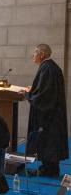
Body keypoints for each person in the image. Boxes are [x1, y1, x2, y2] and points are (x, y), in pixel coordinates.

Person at [22, 44, 68, 177]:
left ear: (42, 54)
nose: (33, 56)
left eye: (35, 53)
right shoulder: (50, 67)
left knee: (48, 140)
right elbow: (45, 89)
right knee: (50, 141)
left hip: (49, 116)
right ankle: (49, 168)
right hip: (53, 113)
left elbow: (43, 96)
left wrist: (27, 94)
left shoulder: (47, 68)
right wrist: (33, 89)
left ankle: (49, 170)